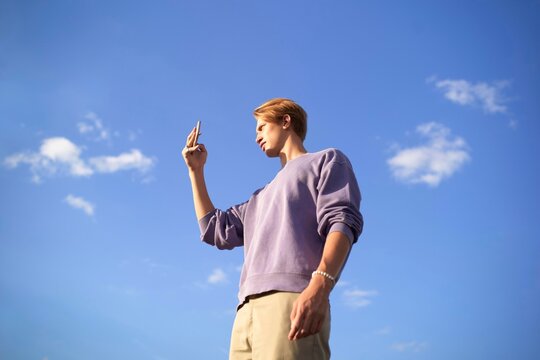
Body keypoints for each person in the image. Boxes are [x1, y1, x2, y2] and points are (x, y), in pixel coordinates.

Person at [182, 98, 363, 359]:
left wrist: (320, 286)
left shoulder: (326, 160)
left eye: (261, 127)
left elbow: (342, 221)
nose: (256, 136)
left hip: (291, 300)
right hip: (245, 311)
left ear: (285, 121)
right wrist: (195, 171)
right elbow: (213, 229)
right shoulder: (259, 197)